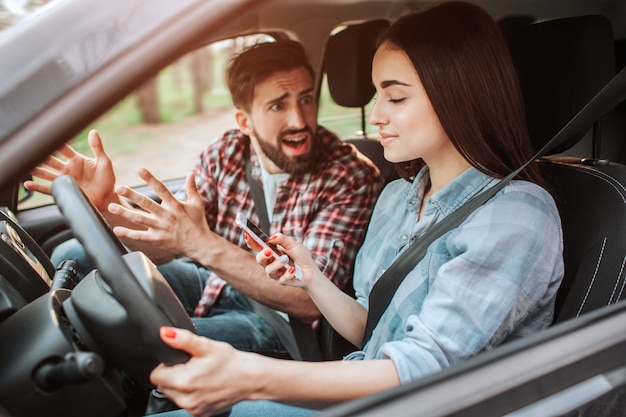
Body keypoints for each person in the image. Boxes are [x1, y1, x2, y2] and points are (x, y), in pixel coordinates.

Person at [145, 2, 565, 416]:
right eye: (377, 94)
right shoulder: (397, 198)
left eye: (396, 97)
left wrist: (255, 376)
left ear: (459, 96)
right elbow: (371, 326)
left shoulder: (516, 215)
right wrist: (312, 279)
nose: (376, 114)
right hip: (364, 390)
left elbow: (424, 371)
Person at [24, 39, 384, 360]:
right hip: (214, 284)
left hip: (284, 326)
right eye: (278, 105)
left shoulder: (351, 176)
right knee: (71, 255)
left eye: (306, 99)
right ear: (245, 121)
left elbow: (308, 302)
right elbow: (171, 241)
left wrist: (200, 243)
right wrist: (102, 208)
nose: (299, 120)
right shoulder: (228, 151)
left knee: (135, 338)